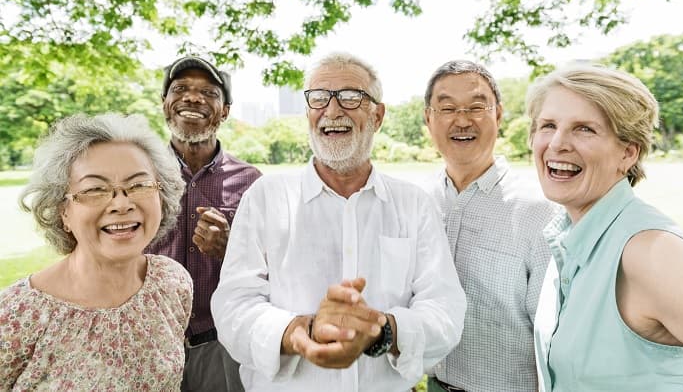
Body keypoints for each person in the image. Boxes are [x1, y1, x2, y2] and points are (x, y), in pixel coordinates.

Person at [211, 52, 466, 392]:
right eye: (319, 98)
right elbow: (233, 307)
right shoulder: (266, 197)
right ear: (307, 113)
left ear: (377, 115)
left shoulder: (413, 204)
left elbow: (445, 309)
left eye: (351, 96)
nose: (332, 110)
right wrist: (300, 332)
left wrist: (382, 330)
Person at [527, 65, 683, 391]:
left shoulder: (651, 251)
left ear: (628, 152)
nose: (558, 143)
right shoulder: (567, 240)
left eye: (585, 129)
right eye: (548, 125)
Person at [0, 113, 192, 390]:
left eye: (138, 185)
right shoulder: (17, 314)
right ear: (63, 211)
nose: (121, 204)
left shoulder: (171, 282)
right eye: (95, 189)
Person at [422, 60, 559, 392]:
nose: (462, 119)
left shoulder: (539, 210)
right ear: (428, 119)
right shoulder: (420, 203)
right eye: (447, 108)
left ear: (498, 115)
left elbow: (553, 335)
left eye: (476, 106)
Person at [146, 55, 262, 392]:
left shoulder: (252, 181)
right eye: (180, 89)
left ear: (225, 110)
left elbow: (275, 270)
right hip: (150, 339)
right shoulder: (138, 174)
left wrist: (231, 249)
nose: (193, 98)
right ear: (165, 104)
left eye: (209, 93)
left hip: (221, 344)